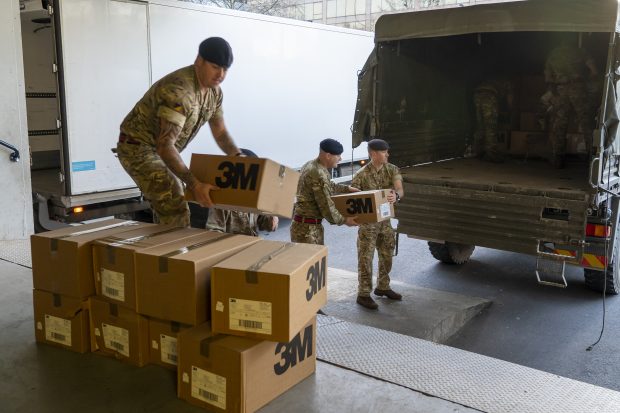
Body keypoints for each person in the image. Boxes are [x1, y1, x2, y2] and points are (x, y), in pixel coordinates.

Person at [116, 37, 242, 227]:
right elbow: (165, 146)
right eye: (216, 67)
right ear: (199, 61)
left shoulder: (214, 92)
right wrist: (195, 185)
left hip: (160, 149)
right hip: (138, 147)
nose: (221, 75)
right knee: (174, 194)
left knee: (169, 203)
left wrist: (238, 157)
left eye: (225, 70)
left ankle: (161, 247)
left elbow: (221, 132)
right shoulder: (179, 91)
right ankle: (172, 253)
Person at [351, 138, 404, 310]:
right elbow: (353, 197)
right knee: (366, 258)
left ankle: (383, 286)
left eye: (387, 151)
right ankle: (363, 294)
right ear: (373, 153)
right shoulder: (361, 175)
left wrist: (396, 196)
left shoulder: (392, 169)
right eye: (383, 151)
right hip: (367, 225)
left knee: (387, 254)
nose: (387, 154)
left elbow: (400, 188)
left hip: (385, 222)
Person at [290, 138, 359, 245]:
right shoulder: (318, 173)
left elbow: (327, 185)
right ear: (328, 156)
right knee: (313, 261)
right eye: (338, 155)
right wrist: (345, 220)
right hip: (308, 231)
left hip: (302, 226)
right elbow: (326, 205)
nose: (340, 159)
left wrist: (347, 188)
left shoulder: (311, 165)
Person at [543, 38, 598, 168]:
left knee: (560, 123)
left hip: (560, 90)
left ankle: (558, 159)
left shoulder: (554, 53)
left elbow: (548, 77)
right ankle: (592, 159)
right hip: (578, 89)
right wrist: (587, 80)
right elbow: (594, 71)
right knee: (586, 122)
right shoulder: (580, 52)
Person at [206, 149, 278, 236]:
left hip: (251, 242)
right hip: (232, 245)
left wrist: (272, 218)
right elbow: (213, 232)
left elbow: (266, 225)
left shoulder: (253, 197)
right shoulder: (222, 201)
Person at [472, 78, 513, 163]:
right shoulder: (508, 81)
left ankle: (477, 151)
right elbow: (510, 98)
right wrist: (509, 110)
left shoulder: (492, 80)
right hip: (489, 96)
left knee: (480, 125)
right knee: (490, 126)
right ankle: (492, 154)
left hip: (477, 95)